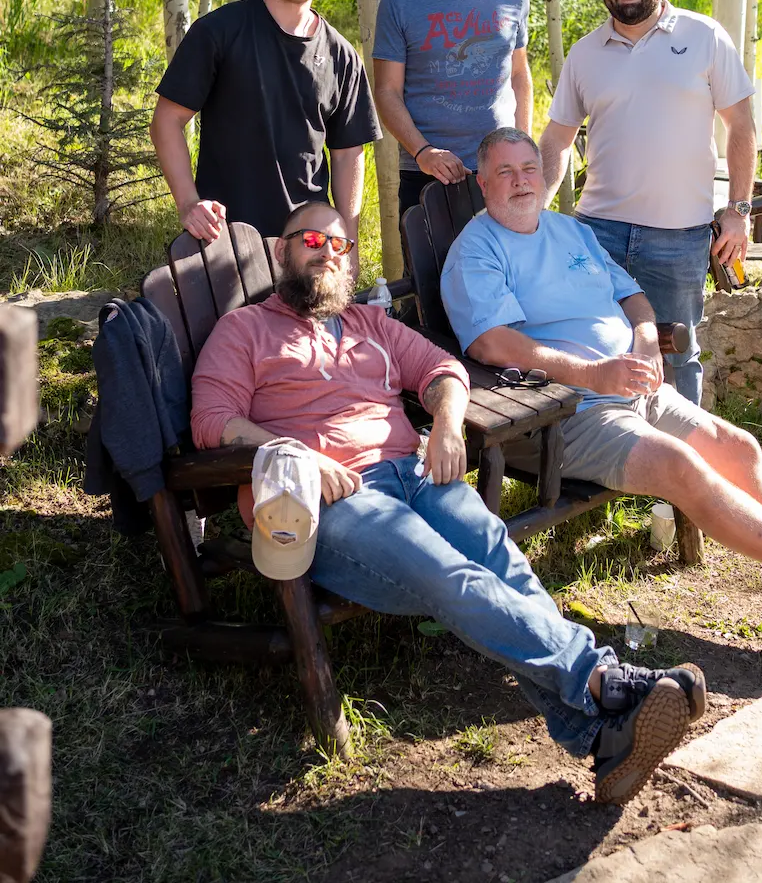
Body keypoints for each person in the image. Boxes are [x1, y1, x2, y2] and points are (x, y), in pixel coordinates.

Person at [189, 200, 707, 805]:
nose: (327, 253)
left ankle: (597, 732)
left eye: (340, 245)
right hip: (327, 500)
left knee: (498, 554)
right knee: (453, 576)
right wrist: (294, 454)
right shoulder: (244, 330)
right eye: (312, 240)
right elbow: (212, 420)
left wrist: (446, 426)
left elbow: (442, 369)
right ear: (283, 252)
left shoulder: (367, 324)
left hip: (413, 473)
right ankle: (607, 682)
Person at [440, 129, 762, 656]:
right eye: (505, 173)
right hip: (565, 412)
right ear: (483, 182)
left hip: (634, 386)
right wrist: (591, 373)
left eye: (528, 169)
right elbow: (493, 343)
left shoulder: (567, 231)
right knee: (681, 465)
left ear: (544, 173)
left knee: (739, 448)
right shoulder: (477, 249)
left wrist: (648, 341)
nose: (520, 182)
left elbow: (631, 295)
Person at [538, 0, 756, 406]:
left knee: (678, 351)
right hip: (597, 232)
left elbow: (741, 126)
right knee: (595, 342)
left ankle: (687, 455)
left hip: (678, 236)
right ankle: (614, 442)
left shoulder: (704, 37)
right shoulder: (585, 52)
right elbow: (557, 138)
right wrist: (534, 207)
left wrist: (739, 209)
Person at [151, 0, 380, 256]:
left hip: (308, 244)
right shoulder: (219, 32)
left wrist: (347, 245)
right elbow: (167, 121)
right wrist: (188, 204)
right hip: (224, 235)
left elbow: (349, 155)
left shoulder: (342, 56)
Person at [373, 0, 533, 216]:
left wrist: (523, 150)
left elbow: (519, 75)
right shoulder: (399, 0)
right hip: (428, 172)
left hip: (500, 166)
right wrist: (424, 152)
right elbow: (386, 91)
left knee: (506, 265)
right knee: (431, 267)